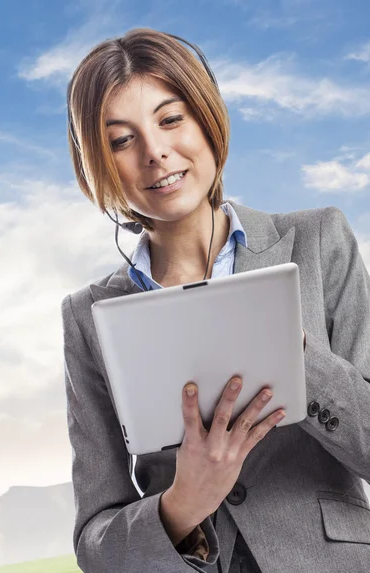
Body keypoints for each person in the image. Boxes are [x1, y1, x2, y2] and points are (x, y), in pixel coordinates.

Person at [60, 27, 370, 573]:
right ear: (97, 165)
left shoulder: (318, 241)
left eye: (170, 118)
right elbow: (96, 544)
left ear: (207, 116)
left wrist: (295, 356)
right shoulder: (89, 318)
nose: (155, 152)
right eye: (121, 140)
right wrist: (184, 503)